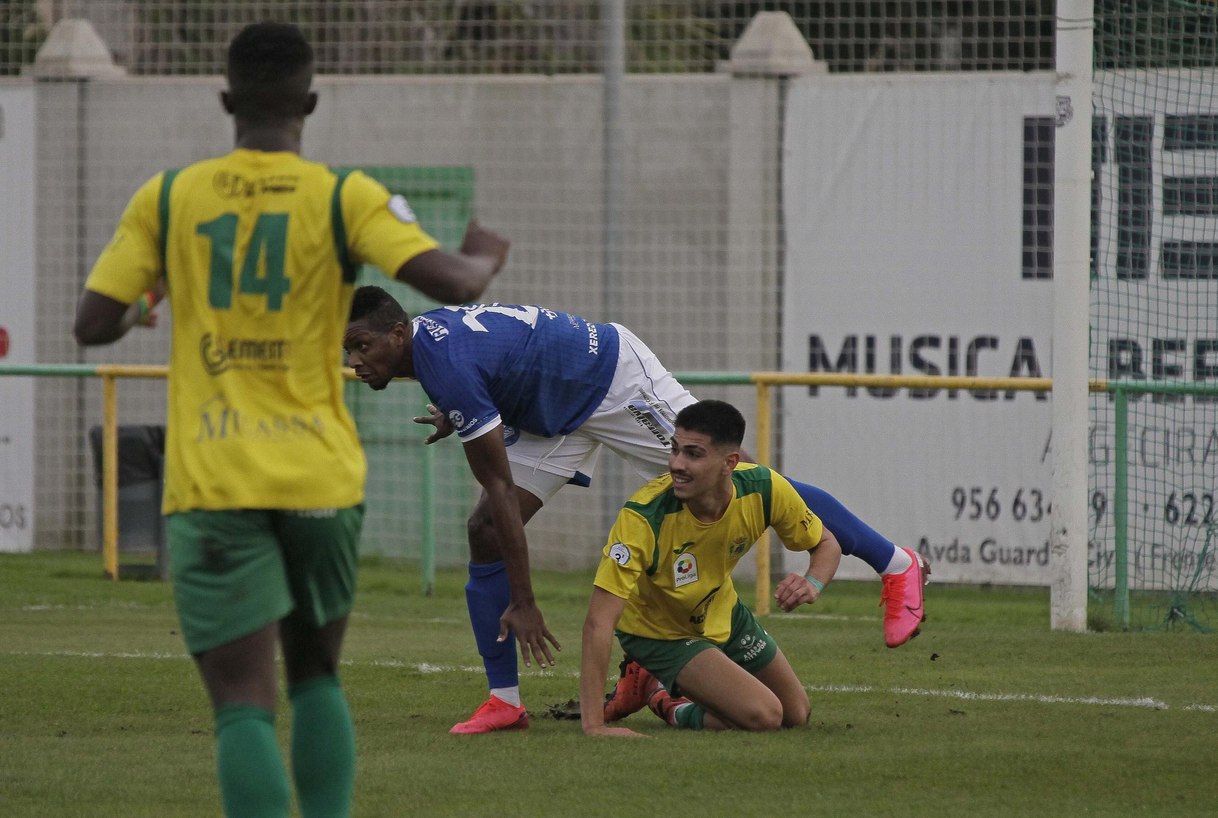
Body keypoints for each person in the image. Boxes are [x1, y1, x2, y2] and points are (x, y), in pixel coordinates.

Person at [73, 22, 508, 818]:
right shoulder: (343, 197)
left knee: (242, 699)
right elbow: (454, 281)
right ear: (309, 101)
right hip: (318, 478)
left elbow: (91, 323)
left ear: (226, 99)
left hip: (213, 480)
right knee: (315, 678)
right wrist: (481, 253)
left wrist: (151, 298)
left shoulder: (169, 197)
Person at [342, 288, 928, 735]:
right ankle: (506, 703)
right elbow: (488, 368)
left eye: (362, 347)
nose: (355, 360)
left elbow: (497, 478)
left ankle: (895, 562)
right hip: (554, 413)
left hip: (609, 379)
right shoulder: (432, 349)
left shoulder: (444, 364)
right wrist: (459, 410)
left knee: (745, 476)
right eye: (348, 350)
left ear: (398, 334)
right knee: (486, 533)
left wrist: (525, 603)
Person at [579, 400, 838, 735]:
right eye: (675, 450)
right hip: (658, 633)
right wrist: (593, 726)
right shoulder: (643, 518)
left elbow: (827, 544)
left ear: (729, 462)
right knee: (765, 716)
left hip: (722, 612)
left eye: (693, 454)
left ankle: (654, 686)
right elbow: (598, 622)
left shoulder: (764, 488)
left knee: (795, 714)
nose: (676, 464)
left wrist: (812, 583)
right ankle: (668, 702)